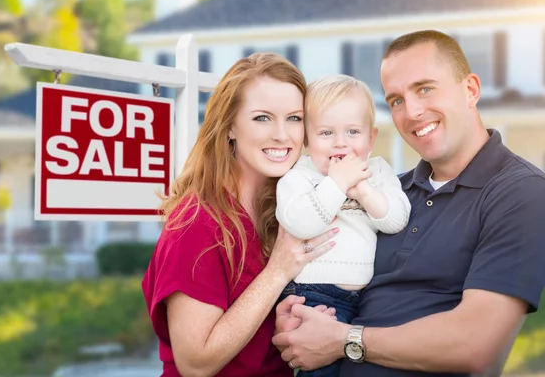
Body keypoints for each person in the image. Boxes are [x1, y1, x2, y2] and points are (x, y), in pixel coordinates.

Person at [272, 29, 545, 377]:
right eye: (396, 99)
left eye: (425, 88)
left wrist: (345, 340)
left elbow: (477, 346)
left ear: (471, 90)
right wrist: (298, 318)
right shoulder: (389, 192)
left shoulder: (520, 192)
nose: (412, 111)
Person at [141, 52, 340, 377]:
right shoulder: (196, 222)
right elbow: (195, 363)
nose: (282, 134)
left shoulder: (290, 209)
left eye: (294, 118)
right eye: (262, 118)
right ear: (230, 125)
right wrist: (277, 273)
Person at [274, 74, 411, 376]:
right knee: (320, 368)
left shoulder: (376, 172)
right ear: (307, 139)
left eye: (353, 131)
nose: (340, 142)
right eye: (326, 133)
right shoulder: (300, 176)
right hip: (314, 295)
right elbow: (300, 223)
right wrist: (336, 183)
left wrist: (363, 190)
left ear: (371, 138)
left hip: (367, 298)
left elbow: (397, 219)